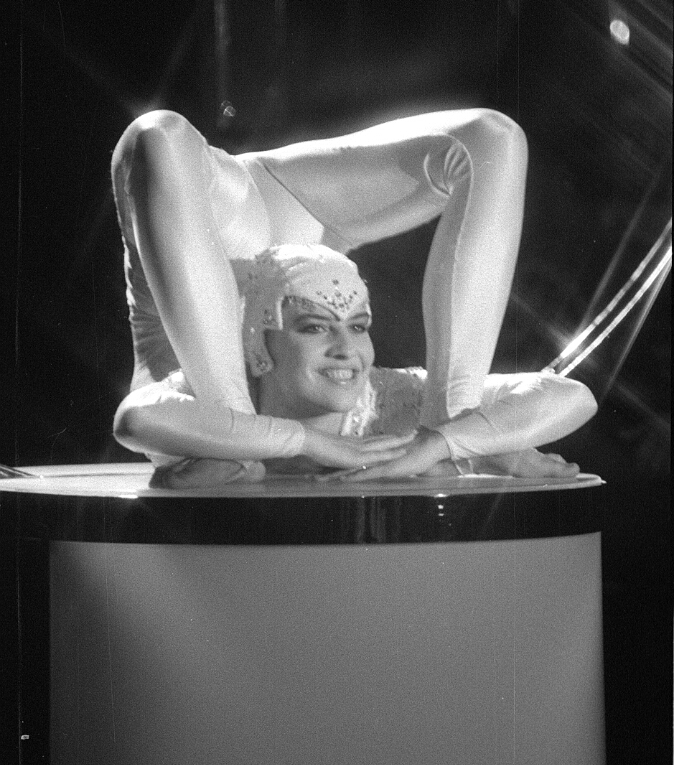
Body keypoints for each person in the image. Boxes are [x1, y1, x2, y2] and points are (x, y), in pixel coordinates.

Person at [110, 109, 597, 487]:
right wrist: (470, 440)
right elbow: (568, 397)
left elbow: (138, 418)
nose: (348, 350)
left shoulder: (189, 410)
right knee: (493, 139)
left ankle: (233, 440)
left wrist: (446, 440)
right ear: (259, 353)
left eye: (358, 326)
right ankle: (234, 434)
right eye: (319, 329)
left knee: (157, 137)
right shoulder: (384, 410)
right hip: (279, 249)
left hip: (205, 217)